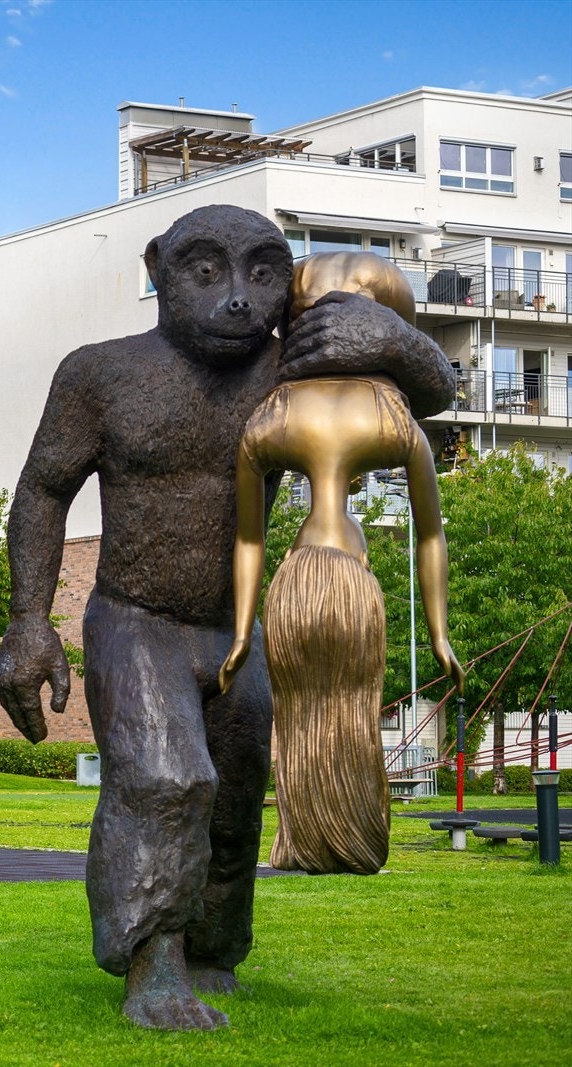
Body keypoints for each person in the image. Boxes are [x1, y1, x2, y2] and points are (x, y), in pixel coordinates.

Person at [0, 205, 456, 1030]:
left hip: (238, 625)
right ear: (157, 269)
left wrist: (392, 342)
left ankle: (211, 949)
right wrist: (29, 619)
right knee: (167, 777)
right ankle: (155, 962)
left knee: (238, 793)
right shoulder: (99, 374)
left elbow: (430, 393)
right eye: (207, 273)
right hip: (135, 617)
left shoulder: (293, 370)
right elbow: (42, 488)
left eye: (262, 274)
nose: (238, 299)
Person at [218, 251, 465, 876]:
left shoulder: (271, 417)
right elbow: (429, 535)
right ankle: (352, 833)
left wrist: (243, 633)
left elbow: (250, 539)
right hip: (348, 583)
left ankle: (303, 835)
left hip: (296, 582)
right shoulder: (391, 418)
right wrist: (440, 635)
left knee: (301, 716)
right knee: (351, 711)